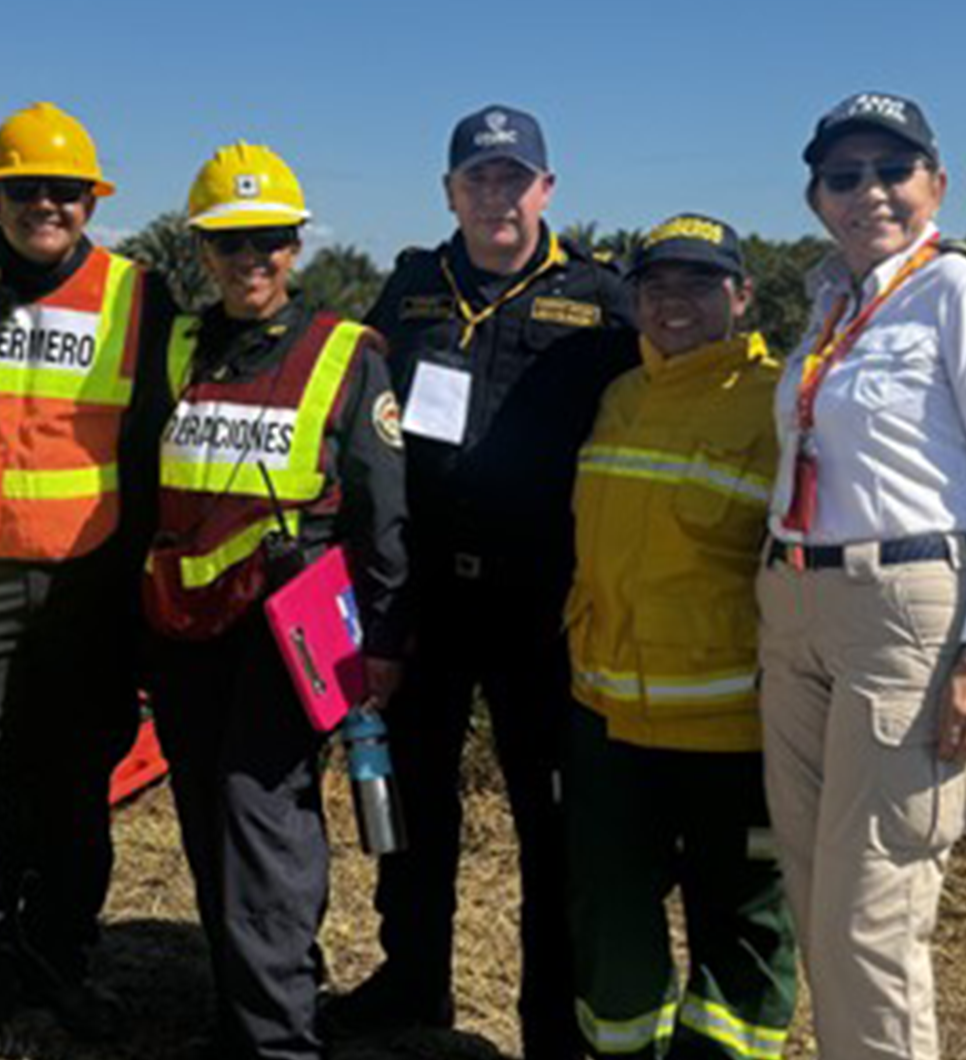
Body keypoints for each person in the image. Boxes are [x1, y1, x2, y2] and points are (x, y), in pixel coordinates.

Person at [327, 104, 637, 1059]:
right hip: (424, 596)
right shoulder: (415, 288)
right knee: (413, 804)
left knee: (550, 827)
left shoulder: (600, 299)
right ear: (450, 191)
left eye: (515, 178)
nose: (496, 196)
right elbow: (361, 396)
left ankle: (553, 1022)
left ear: (547, 188)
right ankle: (411, 983)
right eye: (478, 179)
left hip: (542, 603)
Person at [760, 91, 966, 1060]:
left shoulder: (963, 288)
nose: (867, 193)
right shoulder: (827, 301)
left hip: (906, 614)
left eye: (891, 171)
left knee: (871, 914)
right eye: (841, 176)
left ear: (935, 183)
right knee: (812, 897)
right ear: (814, 196)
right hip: (797, 600)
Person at [0, 101, 177, 1060]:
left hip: (88, 586)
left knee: (73, 782)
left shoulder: (137, 296)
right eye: (24, 190)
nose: (46, 207)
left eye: (65, 192)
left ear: (89, 202)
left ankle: (62, 959)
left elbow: (153, 450)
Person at [142, 142, 409, 1060]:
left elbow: (384, 513)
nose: (250, 260)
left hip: (292, 630)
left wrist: (382, 641)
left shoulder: (344, 355)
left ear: (295, 248)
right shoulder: (176, 346)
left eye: (268, 242)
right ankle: (237, 1009)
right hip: (183, 627)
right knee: (205, 817)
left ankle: (277, 1041)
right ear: (201, 252)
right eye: (230, 244)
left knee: (264, 823)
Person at [562, 214, 798, 1059]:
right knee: (610, 919)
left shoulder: (781, 407)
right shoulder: (621, 397)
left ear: (741, 295)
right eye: (656, 286)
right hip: (607, 722)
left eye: (699, 284)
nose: (673, 303)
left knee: (744, 929)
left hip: (734, 733)